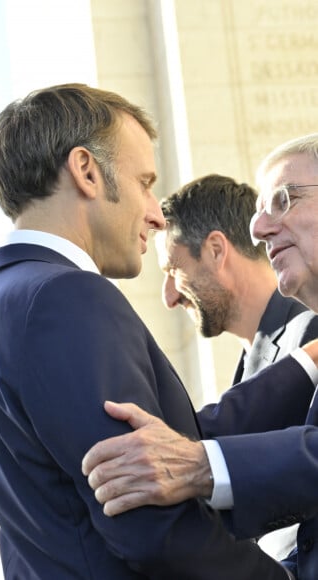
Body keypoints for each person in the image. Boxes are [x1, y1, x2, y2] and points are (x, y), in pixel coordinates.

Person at [0, 83, 314, 579]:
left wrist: (305, 365)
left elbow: (172, 448)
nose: (156, 214)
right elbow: (150, 522)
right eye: (145, 182)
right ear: (86, 171)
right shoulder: (66, 298)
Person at [82, 133, 318, 579]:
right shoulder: (252, 362)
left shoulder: (309, 339)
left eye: (283, 200)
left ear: (214, 249)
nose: (258, 228)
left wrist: (199, 465)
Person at [157, 174, 318, 557]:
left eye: (172, 269)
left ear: (215, 250)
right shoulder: (250, 361)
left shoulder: (310, 331)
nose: (168, 296)